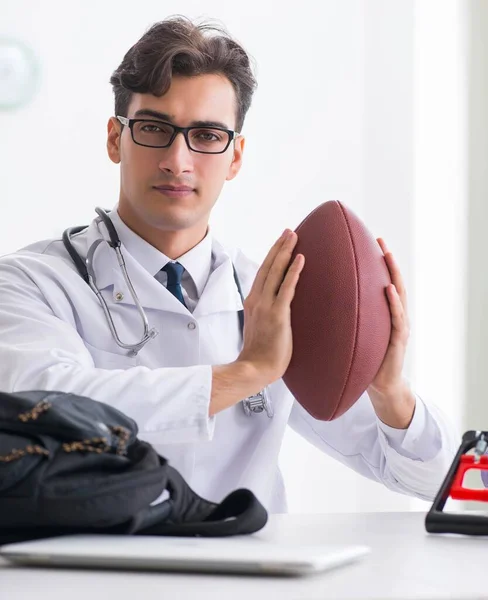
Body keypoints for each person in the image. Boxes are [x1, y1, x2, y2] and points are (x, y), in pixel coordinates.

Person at [0, 16, 458, 512]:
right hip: (101, 580)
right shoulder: (31, 284)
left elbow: (432, 479)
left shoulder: (277, 301)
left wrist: (389, 391)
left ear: (235, 156)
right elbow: (46, 409)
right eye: (155, 128)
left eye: (207, 135)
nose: (178, 159)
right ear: (116, 139)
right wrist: (249, 371)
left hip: (249, 578)